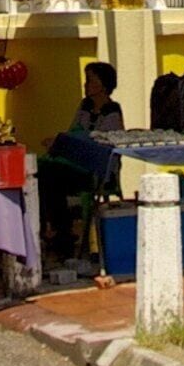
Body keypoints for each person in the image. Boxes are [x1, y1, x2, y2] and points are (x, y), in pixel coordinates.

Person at [43, 62, 125, 269]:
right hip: (75, 166)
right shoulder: (84, 107)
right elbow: (74, 133)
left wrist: (69, 142)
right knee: (44, 175)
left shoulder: (112, 112)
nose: (86, 85)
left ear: (103, 85)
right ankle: (57, 231)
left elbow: (100, 144)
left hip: (98, 171)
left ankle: (62, 235)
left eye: (91, 81)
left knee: (52, 178)